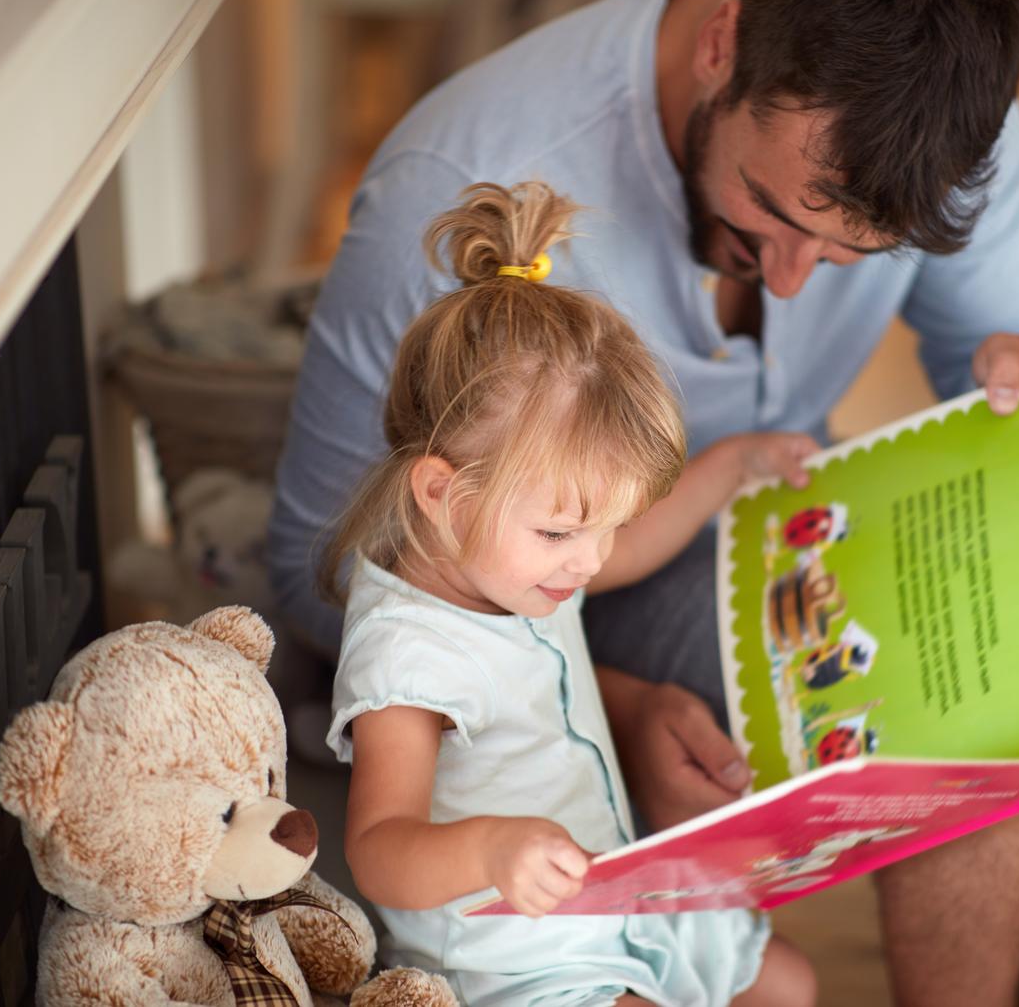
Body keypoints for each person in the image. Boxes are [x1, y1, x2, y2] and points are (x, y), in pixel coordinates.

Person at [271, 0, 1019, 1003]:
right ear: (721, 50)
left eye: (848, 255)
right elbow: (316, 562)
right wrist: (612, 703)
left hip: (733, 524)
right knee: (985, 674)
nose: (789, 278)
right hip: (565, 603)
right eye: (766, 215)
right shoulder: (458, 183)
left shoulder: (945, 119)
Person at [324, 180, 817, 1006]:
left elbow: (632, 544)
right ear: (441, 492)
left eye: (604, 528)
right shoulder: (408, 654)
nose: (589, 563)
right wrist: (490, 850)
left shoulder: (517, 563)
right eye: (562, 534)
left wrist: (732, 469)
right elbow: (378, 846)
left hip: (619, 894)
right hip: (518, 951)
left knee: (790, 985)